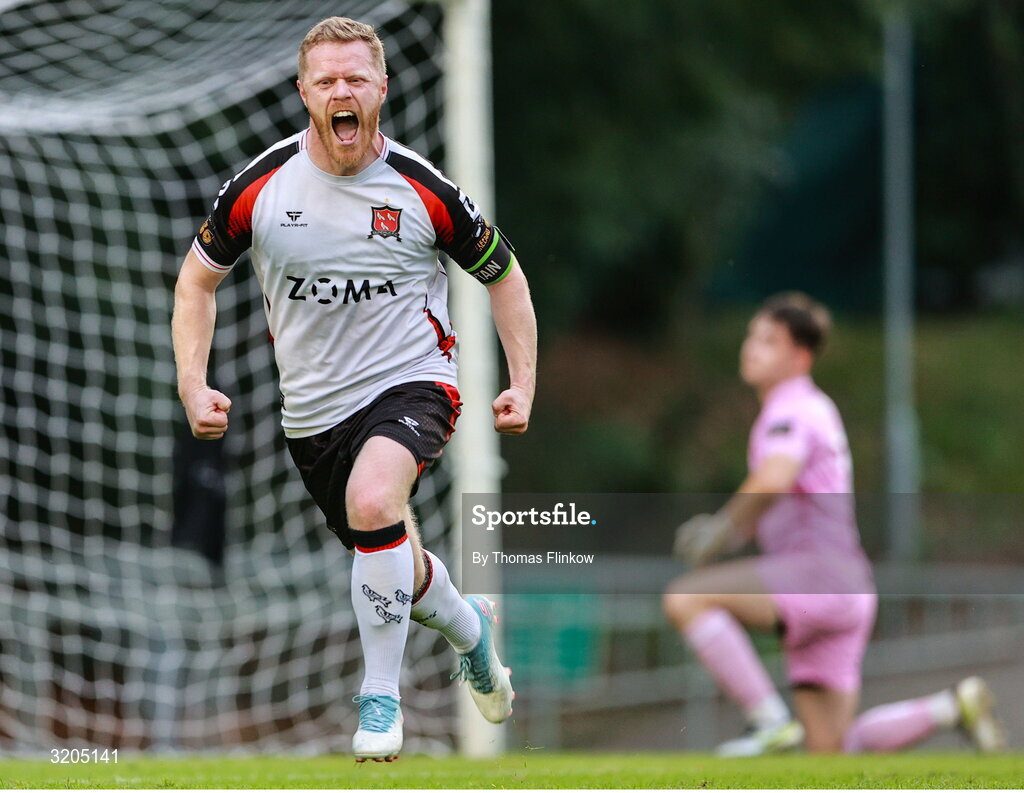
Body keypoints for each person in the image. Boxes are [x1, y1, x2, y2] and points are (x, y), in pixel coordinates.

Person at [172, 17, 536, 762]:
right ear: (305, 91)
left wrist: (522, 381)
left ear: (381, 89)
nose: (342, 91)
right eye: (326, 80)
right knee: (390, 552)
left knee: (375, 505)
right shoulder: (261, 188)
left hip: (415, 383)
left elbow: (505, 276)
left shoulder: (422, 190)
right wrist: (192, 382)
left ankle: (380, 697)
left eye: (355, 79)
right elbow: (195, 282)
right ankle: (471, 630)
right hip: (312, 415)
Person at [662, 293, 1005, 756]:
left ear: (800, 356)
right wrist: (734, 533)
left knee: (686, 598)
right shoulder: (807, 408)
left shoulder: (792, 407)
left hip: (815, 574)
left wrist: (721, 530)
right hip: (847, 586)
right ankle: (949, 707)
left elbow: (775, 477)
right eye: (751, 336)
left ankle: (767, 720)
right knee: (832, 752)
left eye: (767, 340)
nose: (751, 348)